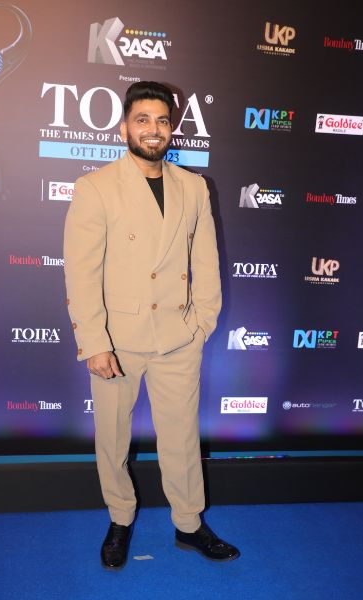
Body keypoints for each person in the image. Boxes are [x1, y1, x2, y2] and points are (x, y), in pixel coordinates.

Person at [63, 81, 240, 570]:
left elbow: (206, 261)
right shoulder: (96, 187)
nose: (153, 129)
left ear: (172, 128)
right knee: (113, 439)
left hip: (178, 338)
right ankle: (120, 519)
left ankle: (189, 524)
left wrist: (201, 323)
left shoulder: (194, 186)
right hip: (117, 342)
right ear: (125, 127)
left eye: (162, 120)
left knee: (182, 439)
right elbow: (82, 272)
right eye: (142, 119)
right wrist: (94, 342)